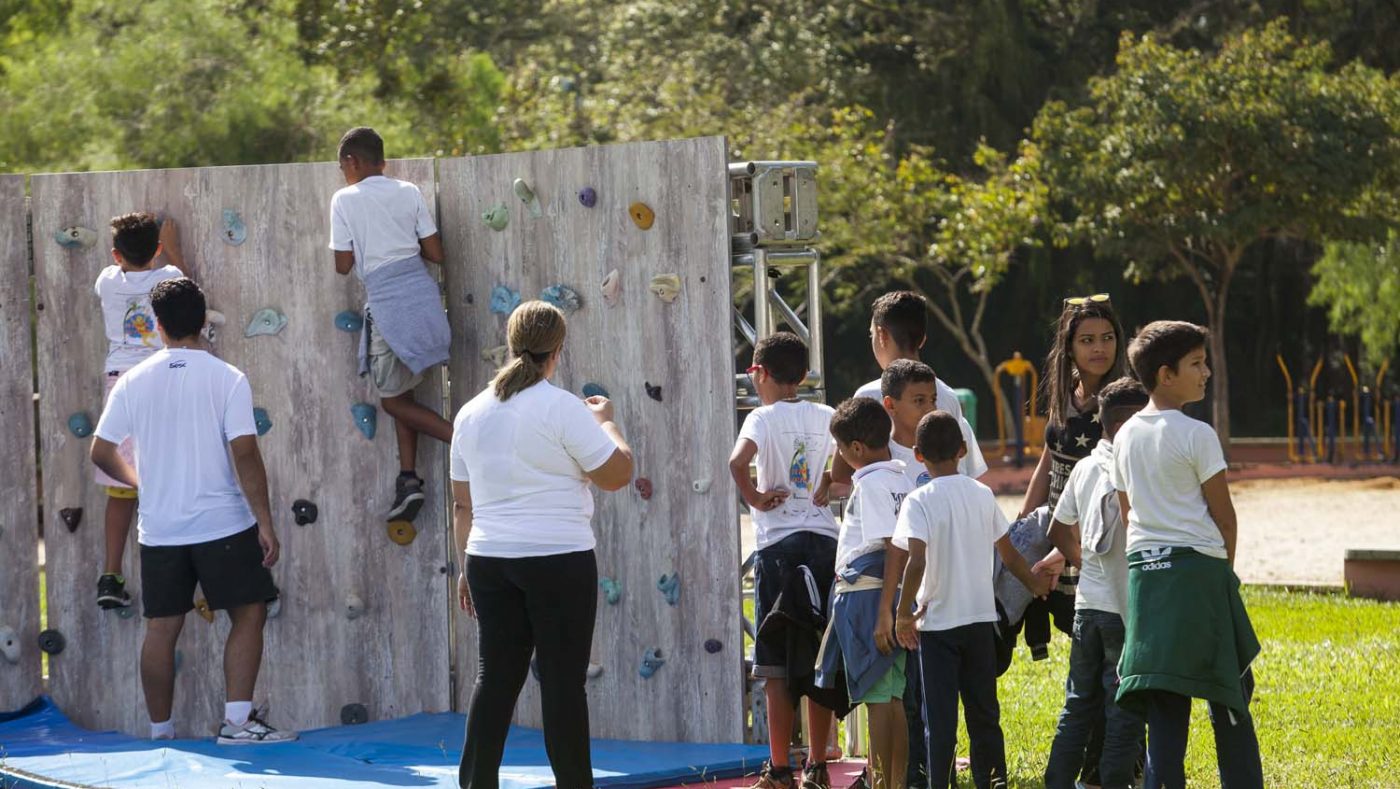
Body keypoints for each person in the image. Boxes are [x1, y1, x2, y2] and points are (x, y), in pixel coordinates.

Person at [90, 277, 293, 744]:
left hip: (159, 527)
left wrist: (143, 483)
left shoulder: (132, 381)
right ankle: (238, 724)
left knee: (162, 627)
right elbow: (246, 454)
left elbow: (100, 453)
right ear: (203, 322)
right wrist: (265, 521)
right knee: (248, 612)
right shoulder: (228, 378)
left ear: (157, 326)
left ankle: (161, 732)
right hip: (223, 523)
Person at [450, 301, 633, 789]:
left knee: (494, 680)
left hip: (488, 557)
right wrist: (607, 423)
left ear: (509, 344)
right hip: (557, 558)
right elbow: (618, 474)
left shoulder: (470, 412)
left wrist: (466, 567)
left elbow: (462, 506)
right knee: (561, 685)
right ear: (559, 351)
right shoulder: (564, 407)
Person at [1112, 321, 1263, 789]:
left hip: (1145, 577)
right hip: (1199, 574)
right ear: (1165, 374)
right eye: (1196, 364)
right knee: (1231, 695)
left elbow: (1127, 513)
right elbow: (1226, 517)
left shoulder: (1123, 436)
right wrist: (1223, 577)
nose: (1207, 372)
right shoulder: (1197, 434)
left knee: (1165, 702)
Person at [891, 411, 1049, 789]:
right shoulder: (981, 494)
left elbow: (916, 561)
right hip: (980, 622)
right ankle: (993, 782)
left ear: (917, 455)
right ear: (963, 450)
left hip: (937, 627)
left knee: (940, 720)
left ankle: (940, 784)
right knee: (984, 714)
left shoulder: (918, 500)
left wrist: (902, 615)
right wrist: (1035, 584)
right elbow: (1010, 555)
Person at [729, 331, 840, 789]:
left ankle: (779, 768)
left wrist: (755, 495)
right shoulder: (828, 415)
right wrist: (830, 481)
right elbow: (850, 463)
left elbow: (737, 462)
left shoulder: (761, 417)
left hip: (778, 547)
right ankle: (816, 764)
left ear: (760, 374)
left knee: (775, 660)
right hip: (824, 543)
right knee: (818, 655)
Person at [329, 126, 453, 522]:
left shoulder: (344, 199)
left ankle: (464, 439)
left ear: (352, 162)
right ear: (382, 161)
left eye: (342, 166)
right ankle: (408, 479)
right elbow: (435, 253)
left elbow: (343, 265)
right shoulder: (409, 191)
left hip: (388, 305)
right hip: (422, 296)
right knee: (405, 395)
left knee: (391, 401)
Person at [1042, 377, 1150, 789]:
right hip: (1123, 612)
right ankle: (1116, 781)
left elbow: (1057, 527)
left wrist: (1085, 563)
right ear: (1129, 426)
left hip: (1086, 607)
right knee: (1124, 708)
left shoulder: (1086, 466)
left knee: (1078, 705)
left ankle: (1058, 782)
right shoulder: (1130, 469)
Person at [815, 398, 912, 789]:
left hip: (870, 598)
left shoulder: (872, 482)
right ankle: (894, 782)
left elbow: (892, 546)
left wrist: (885, 612)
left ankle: (885, 783)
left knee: (877, 700)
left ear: (855, 449)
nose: (839, 456)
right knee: (891, 699)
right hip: (889, 596)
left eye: (840, 449)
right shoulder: (901, 477)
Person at [93, 213, 188, 610]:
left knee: (122, 489)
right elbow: (185, 286)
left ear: (116, 254)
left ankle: (111, 575)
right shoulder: (169, 278)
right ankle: (173, 571)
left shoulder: (105, 280)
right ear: (159, 249)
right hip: (160, 378)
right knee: (168, 478)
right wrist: (172, 244)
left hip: (121, 382)